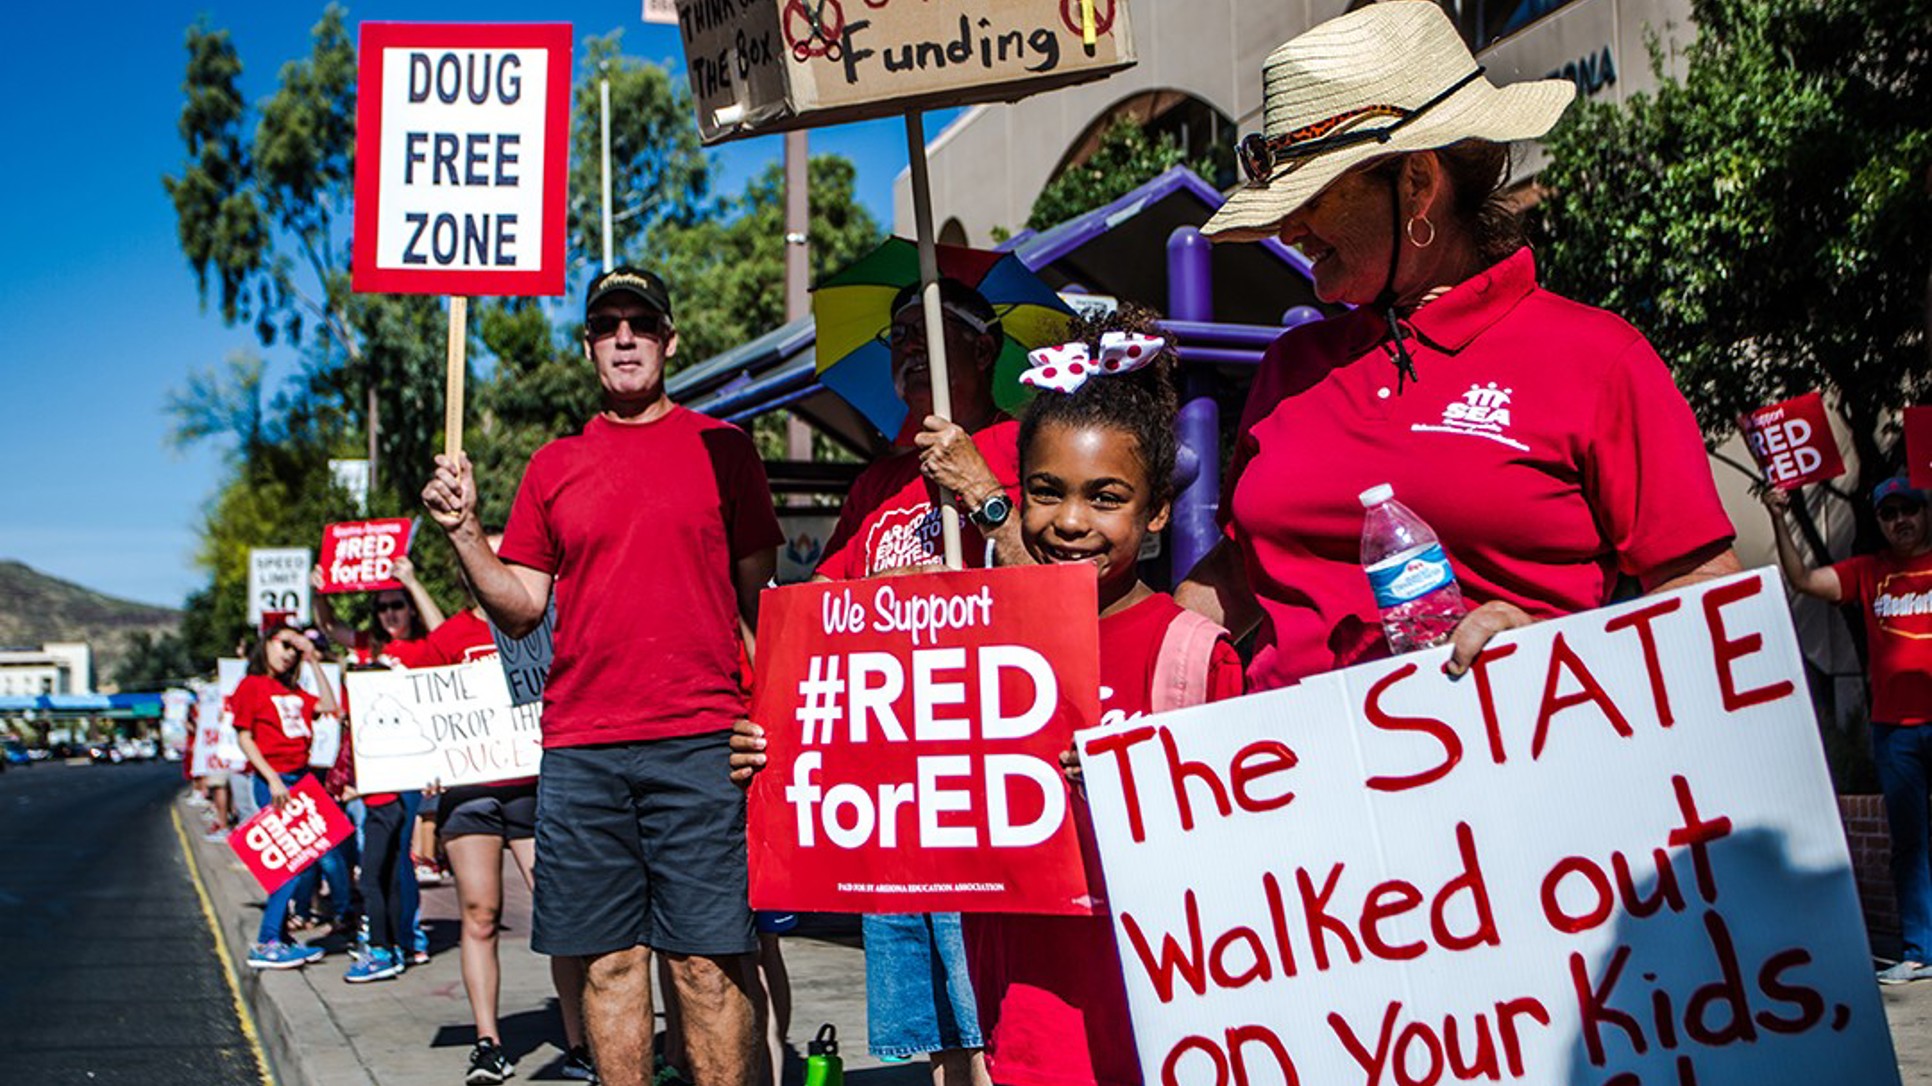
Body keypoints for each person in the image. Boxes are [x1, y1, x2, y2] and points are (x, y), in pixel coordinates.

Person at [1178, 0, 1739, 688]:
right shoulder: (1290, 367)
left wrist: (1556, 652)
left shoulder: (1597, 358)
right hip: (1288, 780)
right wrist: (1110, 657)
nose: (1289, 231)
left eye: (1313, 197)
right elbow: (1240, 573)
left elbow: (1706, 602)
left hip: (1518, 767)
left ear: (1417, 183)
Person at [423, 266, 781, 1086]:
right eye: (609, 324)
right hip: (584, 752)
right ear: (589, 346)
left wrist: (775, 724)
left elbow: (762, 606)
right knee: (610, 967)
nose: (626, 336)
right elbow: (519, 609)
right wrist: (465, 531)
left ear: (669, 341)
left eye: (642, 323)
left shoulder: (724, 448)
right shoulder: (553, 466)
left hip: (702, 745)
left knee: (708, 967)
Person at [967, 311, 1245, 1086]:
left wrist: (1138, 788)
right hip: (1020, 1014)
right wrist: (786, 755)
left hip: (1159, 1025)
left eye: (1106, 497)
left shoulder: (1193, 654)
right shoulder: (979, 643)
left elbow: (1240, 842)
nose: (1070, 522)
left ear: (1156, 511)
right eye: (1046, 492)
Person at [810, 278, 1041, 1086]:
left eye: (927, 333)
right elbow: (826, 606)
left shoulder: (1030, 447)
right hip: (897, 786)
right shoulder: (878, 485)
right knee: (936, 1024)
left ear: (981, 349)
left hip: (988, 771)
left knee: (995, 1014)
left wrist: (981, 492)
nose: (907, 349)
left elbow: (1058, 586)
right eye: (896, 337)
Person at [415, 532, 594, 1085]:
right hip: (469, 794)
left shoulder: (544, 623)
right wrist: (425, 781)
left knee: (561, 912)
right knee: (480, 913)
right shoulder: (448, 638)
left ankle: (581, 1042)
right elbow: (418, 714)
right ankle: (488, 1042)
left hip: (537, 785)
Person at [1765, 478, 1932, 982]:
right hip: (1894, 731)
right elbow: (1805, 582)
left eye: (1909, 510)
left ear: (1925, 514)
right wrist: (1778, 515)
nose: (1900, 520)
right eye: (1889, 513)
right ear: (1879, 522)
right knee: (1909, 842)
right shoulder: (1869, 571)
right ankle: (1919, 949)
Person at [234, 621, 340, 969]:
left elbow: (329, 704)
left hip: (302, 780)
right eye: (284, 644)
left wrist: (311, 659)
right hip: (275, 781)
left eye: (294, 649)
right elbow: (245, 737)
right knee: (287, 865)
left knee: (307, 858)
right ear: (266, 643)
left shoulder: (292, 691)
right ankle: (267, 941)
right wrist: (272, 779)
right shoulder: (252, 686)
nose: (288, 653)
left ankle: (280, 936)